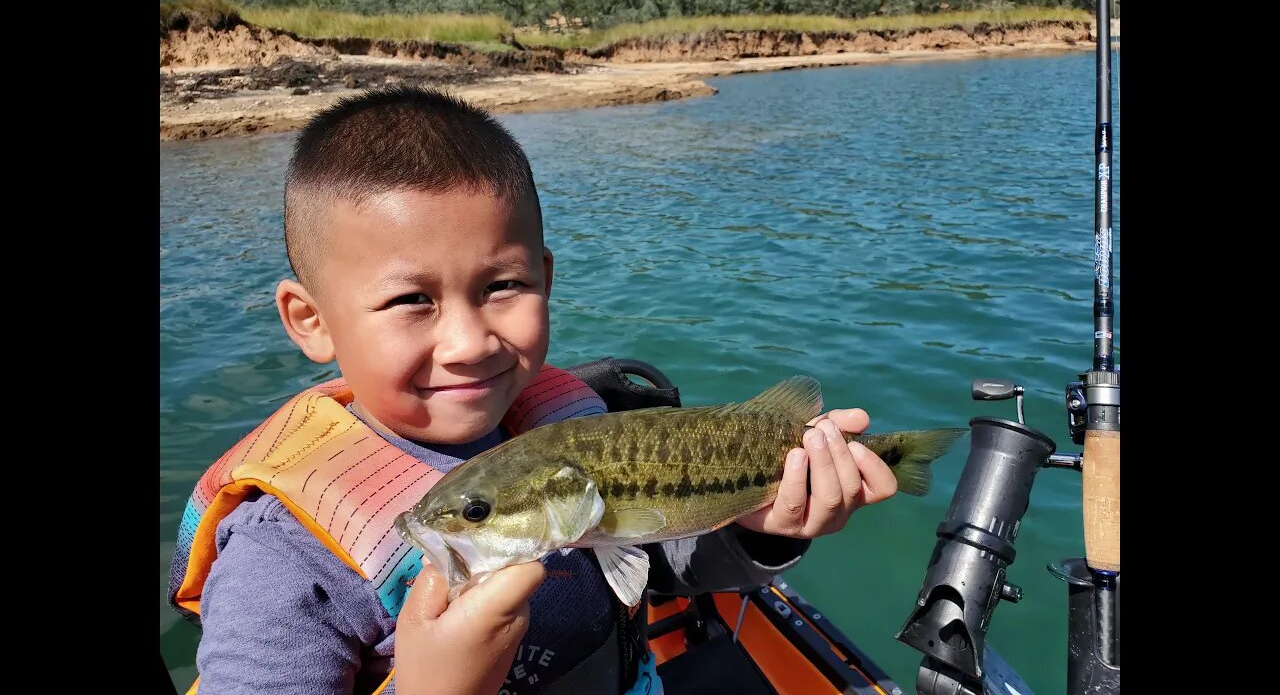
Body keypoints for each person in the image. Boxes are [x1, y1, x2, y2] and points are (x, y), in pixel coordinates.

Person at [166, 86, 899, 695]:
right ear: (311, 320)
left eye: (503, 286)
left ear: (545, 276)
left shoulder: (572, 424)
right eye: (409, 301)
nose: (470, 342)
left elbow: (673, 562)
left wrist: (764, 526)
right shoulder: (281, 560)